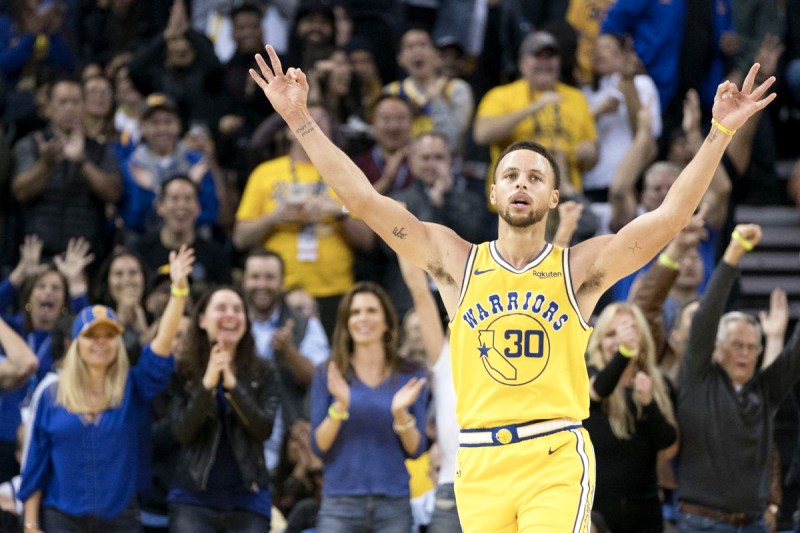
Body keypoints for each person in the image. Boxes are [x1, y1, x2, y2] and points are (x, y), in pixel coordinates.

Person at [249, 45, 775, 532]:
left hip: (553, 453)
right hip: (478, 458)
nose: (522, 182)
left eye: (536, 177)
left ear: (553, 198)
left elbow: (669, 218)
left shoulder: (578, 267)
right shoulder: (456, 261)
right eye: (511, 175)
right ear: (495, 194)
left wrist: (718, 134)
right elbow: (364, 201)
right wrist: (300, 121)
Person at [18, 245, 194, 532]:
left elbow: (162, 344)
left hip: (119, 519)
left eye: (109, 335)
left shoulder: (132, 386)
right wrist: (30, 524)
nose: (101, 342)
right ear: (75, 345)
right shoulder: (51, 394)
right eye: (92, 335)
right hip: (61, 517)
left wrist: (179, 292)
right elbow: (35, 464)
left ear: (118, 344)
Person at [676, 224, 800, 532]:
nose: (745, 353)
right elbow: (705, 318)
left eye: (751, 347)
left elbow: (796, 353)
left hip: (754, 524)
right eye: (736, 345)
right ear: (717, 350)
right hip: (701, 523)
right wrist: (733, 254)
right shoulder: (698, 379)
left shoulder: (765, 390)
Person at [310, 282, 428, 531]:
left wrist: (400, 414)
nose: (363, 318)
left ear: (386, 321)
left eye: (371, 311)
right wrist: (340, 406)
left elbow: (416, 449)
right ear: (346, 322)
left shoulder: (411, 373)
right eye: (355, 312)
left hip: (393, 502)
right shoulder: (328, 372)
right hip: (340, 503)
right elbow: (319, 446)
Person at [167, 286, 280, 532]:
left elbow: (263, 429)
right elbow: (182, 432)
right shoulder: (182, 372)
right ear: (202, 320)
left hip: (248, 498)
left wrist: (232, 385)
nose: (230, 315)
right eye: (221, 308)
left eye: (238, 310)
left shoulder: (264, 372)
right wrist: (207, 385)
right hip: (192, 497)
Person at [585, 303, 677, 533]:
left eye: (628, 332)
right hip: (595, 512)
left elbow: (668, 443)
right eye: (611, 334)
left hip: (645, 513)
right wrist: (625, 353)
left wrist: (649, 403)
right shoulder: (588, 375)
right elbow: (598, 391)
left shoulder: (657, 384)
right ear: (599, 341)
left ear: (642, 338)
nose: (619, 340)